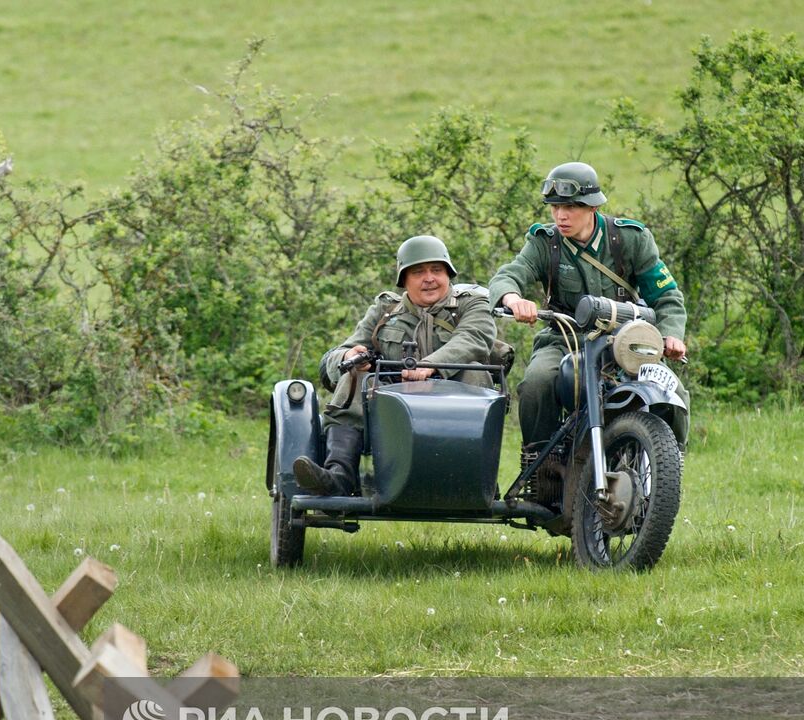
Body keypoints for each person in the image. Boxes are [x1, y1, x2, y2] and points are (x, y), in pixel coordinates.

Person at [487, 161, 687, 453]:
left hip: (624, 342)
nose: (560, 216)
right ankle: (539, 464)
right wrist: (513, 299)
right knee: (536, 383)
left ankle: (670, 464)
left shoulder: (630, 239)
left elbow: (666, 294)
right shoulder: (545, 242)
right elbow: (509, 274)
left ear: (592, 207)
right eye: (555, 207)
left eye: (570, 207)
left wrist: (671, 335)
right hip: (563, 340)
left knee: (673, 392)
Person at [293, 235, 496, 496]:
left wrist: (431, 365)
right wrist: (347, 358)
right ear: (404, 280)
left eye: (436, 270)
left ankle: (477, 477)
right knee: (357, 376)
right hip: (392, 406)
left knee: (475, 375)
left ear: (448, 274)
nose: (429, 278)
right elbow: (341, 352)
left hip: (457, 403)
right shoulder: (385, 309)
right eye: (418, 272)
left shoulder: (474, 302)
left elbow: (474, 338)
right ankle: (340, 476)